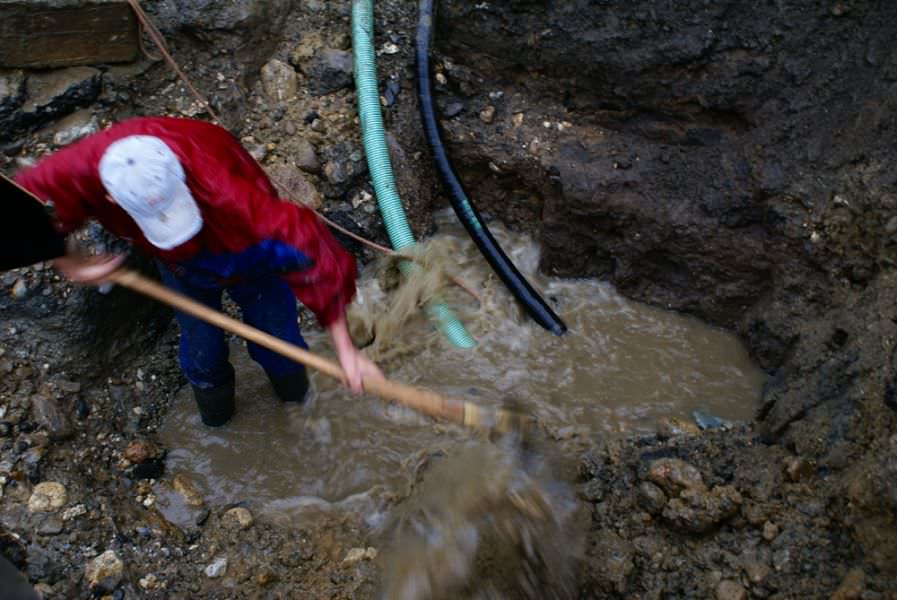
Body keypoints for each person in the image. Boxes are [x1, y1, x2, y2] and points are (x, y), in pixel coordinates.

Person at [12, 115, 383, 427]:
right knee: (202, 352)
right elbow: (23, 210)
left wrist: (345, 350)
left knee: (280, 341)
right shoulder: (83, 170)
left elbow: (312, 251)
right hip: (180, 269)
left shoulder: (233, 197)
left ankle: (297, 410)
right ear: (112, 197)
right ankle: (219, 423)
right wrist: (65, 257)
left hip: (244, 254)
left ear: (184, 182)